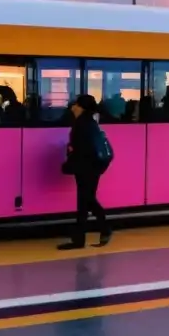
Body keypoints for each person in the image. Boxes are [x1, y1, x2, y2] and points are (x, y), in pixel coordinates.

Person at [58, 94, 113, 250]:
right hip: (93, 167)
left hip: (86, 168)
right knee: (85, 201)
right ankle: (81, 238)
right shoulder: (90, 122)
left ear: (81, 107)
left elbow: (80, 150)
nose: (72, 107)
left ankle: (103, 228)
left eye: (75, 104)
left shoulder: (81, 124)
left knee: (86, 200)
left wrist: (70, 160)